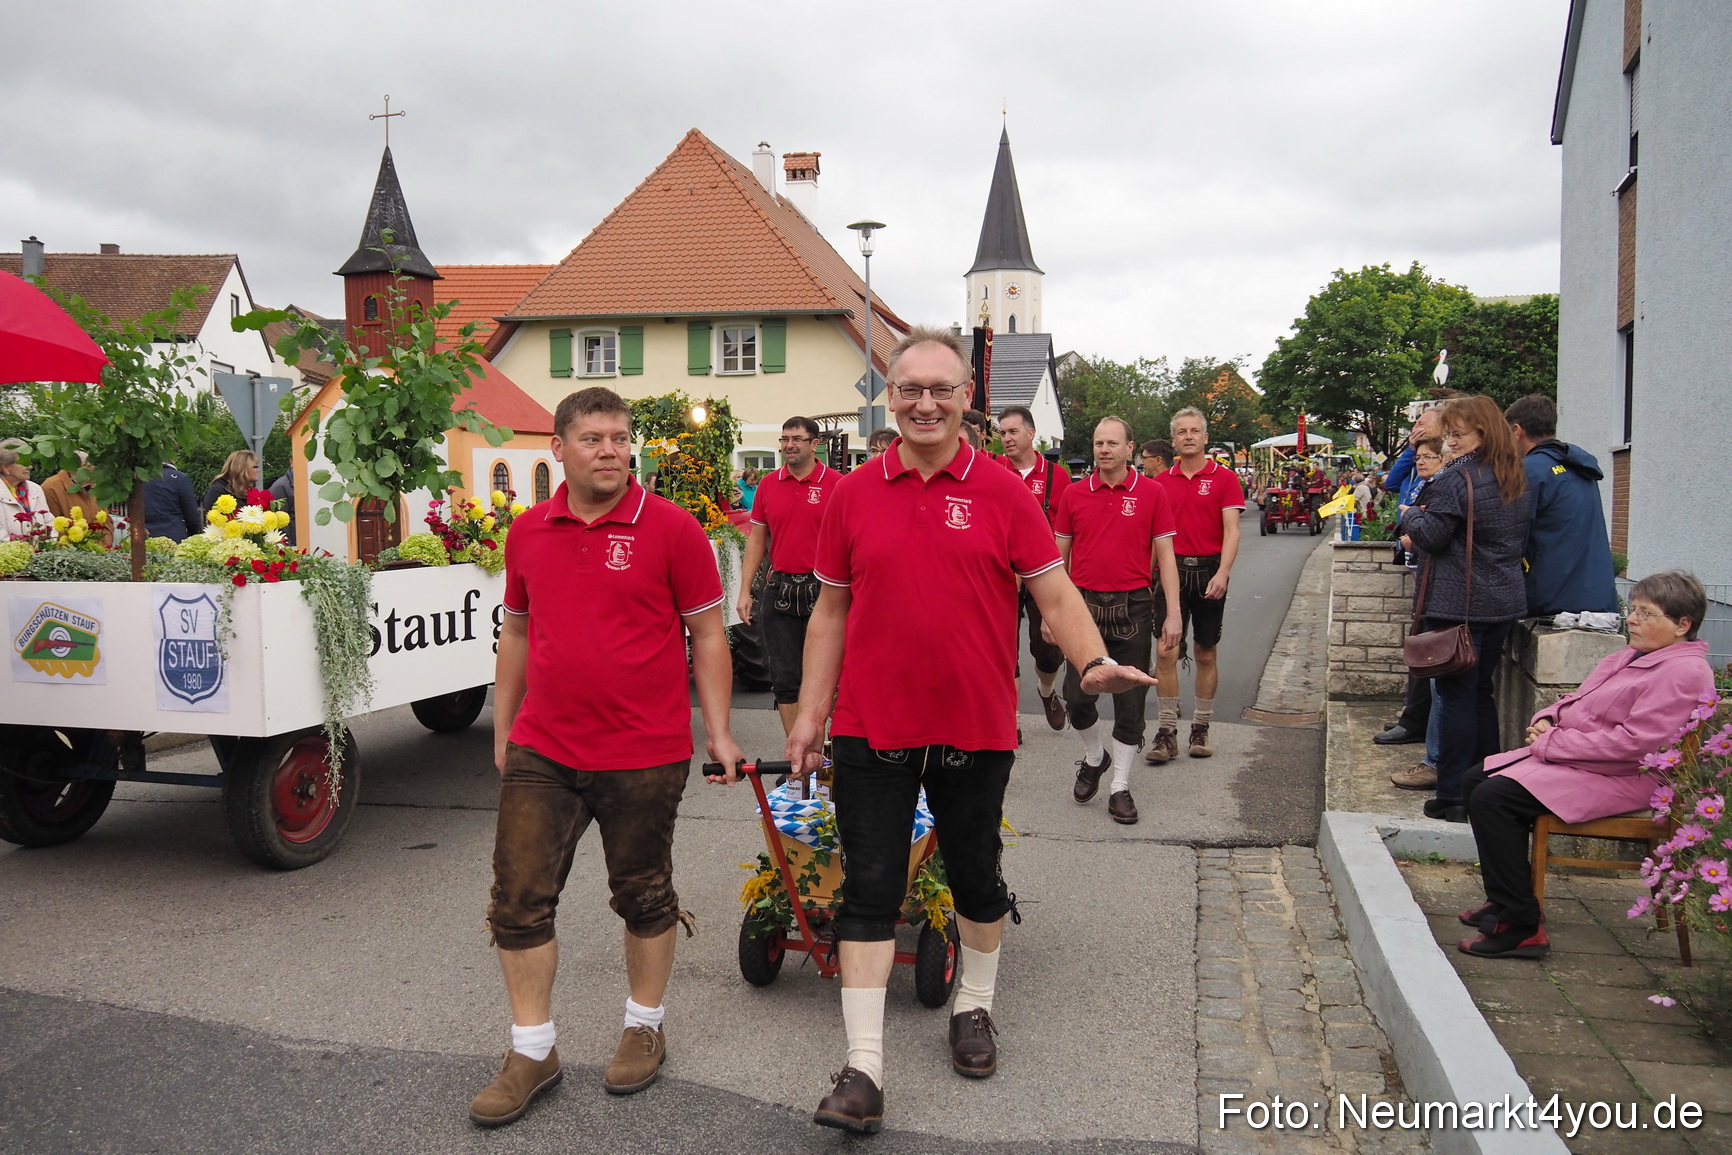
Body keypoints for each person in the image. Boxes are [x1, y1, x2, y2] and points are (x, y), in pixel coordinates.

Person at [785, 327, 1155, 1134]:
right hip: (872, 725)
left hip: (974, 724)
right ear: (890, 394)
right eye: (910, 388)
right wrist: (811, 713)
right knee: (870, 890)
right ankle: (863, 1067)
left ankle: (975, 1008)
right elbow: (830, 612)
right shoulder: (851, 493)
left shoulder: (1002, 491)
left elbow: (1054, 595)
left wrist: (1091, 662)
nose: (925, 402)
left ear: (964, 401)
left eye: (940, 390)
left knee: (977, 879)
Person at [470, 386, 743, 1128]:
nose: (611, 450)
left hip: (644, 749)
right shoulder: (528, 531)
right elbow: (518, 632)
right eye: (593, 438)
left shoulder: (674, 530)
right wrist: (505, 724)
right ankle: (533, 1049)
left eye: (620, 438)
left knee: (644, 894)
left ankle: (643, 1025)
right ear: (558, 448)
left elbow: (709, 635)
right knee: (518, 898)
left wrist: (717, 731)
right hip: (545, 745)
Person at [1458, 571, 1715, 960]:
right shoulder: (1632, 655)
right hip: (1589, 762)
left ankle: (1522, 926)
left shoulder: (1684, 672)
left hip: (1629, 777)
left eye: (1646, 614)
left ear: (1683, 625)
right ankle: (1504, 900)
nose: (1632, 620)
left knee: (1494, 799)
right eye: (1633, 610)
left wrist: (1553, 744)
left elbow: (1637, 745)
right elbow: (1578, 699)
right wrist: (1548, 717)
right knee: (1476, 780)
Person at [1398, 395, 1532, 822]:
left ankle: (1453, 792)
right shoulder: (1514, 475)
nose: (1451, 443)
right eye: (1449, 434)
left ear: (1483, 433)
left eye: (1458, 435)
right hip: (1502, 600)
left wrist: (1409, 516)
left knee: (1455, 698)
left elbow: (1432, 537)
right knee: (1480, 694)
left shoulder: (1460, 480)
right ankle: (1484, 782)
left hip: (1460, 604)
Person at [1052, 417, 1182, 824]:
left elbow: (1166, 557)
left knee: (1130, 705)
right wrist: (1050, 615)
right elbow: (1057, 560)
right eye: (1097, 443)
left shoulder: (1152, 493)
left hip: (1135, 607)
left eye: (1112, 443)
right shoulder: (1073, 494)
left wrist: (1173, 611)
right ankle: (1095, 756)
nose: (1103, 450)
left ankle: (1120, 787)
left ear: (1130, 448)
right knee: (1077, 700)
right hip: (1082, 608)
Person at [1146, 407, 1246, 763]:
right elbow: (1155, 538)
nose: (1188, 436)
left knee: (1205, 652)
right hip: (1171, 573)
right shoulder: (1160, 484)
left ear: (1205, 438)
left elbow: (1232, 531)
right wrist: (1147, 576)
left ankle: (1201, 727)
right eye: (1181, 431)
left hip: (1208, 573)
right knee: (1165, 651)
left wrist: (1223, 573)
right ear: (1173, 440)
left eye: (1195, 431)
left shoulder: (1224, 479)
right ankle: (1166, 731)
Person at [735, 417, 837, 737]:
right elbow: (756, 539)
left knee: (824, 678)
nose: (788, 445)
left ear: (814, 443)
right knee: (784, 680)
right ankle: (799, 761)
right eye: (784, 439)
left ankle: (823, 759)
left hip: (824, 591)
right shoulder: (767, 484)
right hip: (779, 587)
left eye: (796, 439)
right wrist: (744, 591)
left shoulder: (837, 483)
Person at [1503, 395, 1619, 618]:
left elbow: (1511, 538)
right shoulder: (1579, 466)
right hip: (1597, 599)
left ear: (1517, 431)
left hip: (1552, 601)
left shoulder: (1528, 471)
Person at [996, 405, 1073, 730]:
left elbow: (1067, 530)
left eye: (1013, 432)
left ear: (1031, 433)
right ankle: (1009, 721)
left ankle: (1046, 689)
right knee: (1003, 647)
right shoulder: (995, 471)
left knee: (1048, 651)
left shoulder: (1058, 476)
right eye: (1002, 433)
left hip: (1042, 573)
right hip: (1002, 574)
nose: (1007, 439)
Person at [1374, 406, 1447, 748]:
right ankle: (1414, 716)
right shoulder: (1418, 461)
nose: (1414, 427)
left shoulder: (1446, 474)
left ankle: (1417, 722)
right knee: (1418, 640)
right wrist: (1408, 450)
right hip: (1418, 560)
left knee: (1427, 646)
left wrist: (1413, 530)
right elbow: (1391, 482)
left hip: (1434, 566)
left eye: (1421, 422)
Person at [1388, 436, 1449, 791]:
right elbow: (1394, 486)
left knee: (1436, 668)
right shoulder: (1422, 484)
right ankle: (1415, 725)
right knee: (1423, 660)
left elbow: (1430, 532)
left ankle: (1434, 757)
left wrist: (1413, 525)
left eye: (1428, 456)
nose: (1421, 461)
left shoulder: (1445, 486)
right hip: (1423, 576)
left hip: (1437, 582)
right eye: (1419, 456)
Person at [39, 451, 113, 547]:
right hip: (71, 555)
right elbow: (53, 530)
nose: (101, 470)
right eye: (96, 465)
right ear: (82, 466)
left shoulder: (97, 486)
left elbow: (107, 523)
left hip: (101, 554)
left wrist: (101, 548)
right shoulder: (51, 488)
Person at [0, 446, 52, 540]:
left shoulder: (36, 488)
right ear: (6, 467)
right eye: (24, 463)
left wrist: (46, 546)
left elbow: (49, 522)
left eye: (30, 462)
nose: (30, 467)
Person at [144, 462, 203, 542]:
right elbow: (192, 515)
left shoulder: (140, 477)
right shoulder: (180, 479)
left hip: (144, 537)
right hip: (174, 536)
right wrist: (193, 535)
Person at [202, 450, 259, 516]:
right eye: (255, 467)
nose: (258, 470)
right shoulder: (218, 491)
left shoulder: (249, 491)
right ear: (242, 468)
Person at [267, 470, 296, 547]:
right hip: (292, 545)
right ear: (291, 462)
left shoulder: (302, 482)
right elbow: (280, 523)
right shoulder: (281, 487)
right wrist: (287, 549)